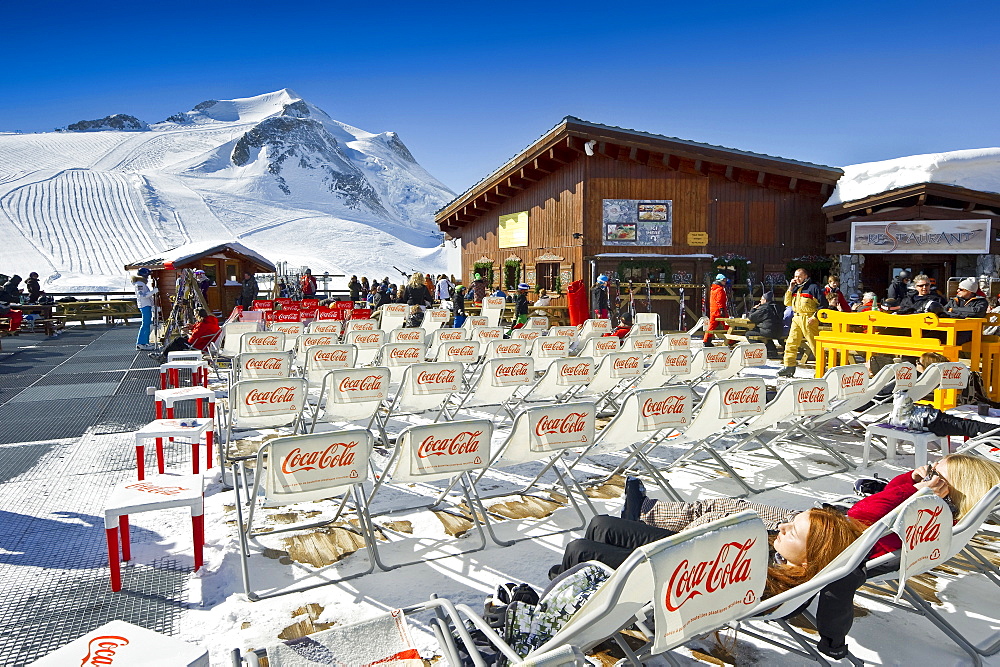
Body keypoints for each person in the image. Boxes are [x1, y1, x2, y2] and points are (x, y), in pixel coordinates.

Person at [554, 499, 864, 601]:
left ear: (810, 556)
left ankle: (558, 601)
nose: (784, 526)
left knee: (581, 550)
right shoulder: (781, 555)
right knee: (601, 525)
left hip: (674, 580)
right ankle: (570, 586)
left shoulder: (765, 579)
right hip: (682, 555)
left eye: (792, 530)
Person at [778, 268, 821, 377]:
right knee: (790, 343)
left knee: (814, 344)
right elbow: (787, 303)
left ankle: (822, 369)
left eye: (799, 276)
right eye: (795, 276)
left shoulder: (813, 288)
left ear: (806, 276)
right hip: (796, 318)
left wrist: (815, 317)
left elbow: (823, 305)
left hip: (809, 319)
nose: (796, 279)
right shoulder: (796, 288)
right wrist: (790, 288)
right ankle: (789, 366)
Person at [156, 308, 221, 362]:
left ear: (198, 316)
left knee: (178, 340)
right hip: (206, 342)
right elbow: (201, 331)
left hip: (200, 345)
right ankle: (165, 354)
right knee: (182, 339)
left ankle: (163, 355)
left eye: (195, 315)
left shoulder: (202, 325)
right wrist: (192, 327)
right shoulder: (210, 322)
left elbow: (191, 340)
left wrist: (187, 332)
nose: (194, 317)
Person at [747, 292, 783, 359]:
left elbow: (752, 318)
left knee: (749, 334)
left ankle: (761, 351)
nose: (760, 301)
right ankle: (771, 350)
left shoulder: (764, 308)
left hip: (769, 332)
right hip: (779, 331)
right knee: (764, 333)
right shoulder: (777, 307)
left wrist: (753, 309)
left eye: (761, 299)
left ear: (765, 300)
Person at [131, 269, 158, 350]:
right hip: (144, 305)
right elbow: (142, 296)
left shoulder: (141, 283)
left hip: (147, 305)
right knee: (145, 324)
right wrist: (153, 292)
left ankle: (145, 342)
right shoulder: (139, 284)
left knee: (147, 324)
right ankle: (141, 343)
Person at [703, 274, 728, 347]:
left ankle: (706, 340)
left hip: (713, 310)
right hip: (719, 310)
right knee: (727, 324)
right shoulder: (720, 289)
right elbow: (720, 300)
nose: (725, 282)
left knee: (711, 325)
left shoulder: (713, 289)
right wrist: (721, 309)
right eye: (724, 280)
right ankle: (731, 340)